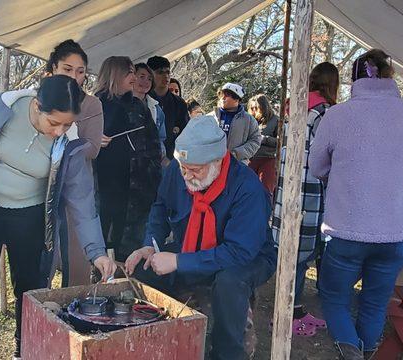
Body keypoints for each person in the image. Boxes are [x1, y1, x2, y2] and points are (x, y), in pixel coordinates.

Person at [0, 75, 116, 360]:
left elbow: (83, 202)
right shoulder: (3, 108)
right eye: (54, 123)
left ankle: (23, 352)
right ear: (37, 106)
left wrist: (96, 252)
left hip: (29, 217)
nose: (60, 131)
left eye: (68, 124)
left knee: (29, 292)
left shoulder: (71, 144)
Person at [124, 117, 276, 360]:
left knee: (229, 281)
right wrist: (149, 245)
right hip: (193, 245)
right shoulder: (179, 168)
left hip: (248, 255)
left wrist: (179, 262)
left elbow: (239, 252)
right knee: (144, 269)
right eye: (184, 168)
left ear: (217, 161)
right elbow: (161, 207)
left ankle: (228, 351)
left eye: (195, 170)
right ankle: (153, 341)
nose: (187, 175)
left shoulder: (248, 188)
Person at [309, 49, 403, 359]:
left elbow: (316, 165)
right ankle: (366, 351)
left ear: (353, 79)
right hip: (397, 229)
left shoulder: (337, 115)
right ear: (391, 76)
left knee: (333, 296)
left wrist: (342, 175)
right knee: (375, 302)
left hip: (348, 225)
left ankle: (350, 351)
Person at [272, 62, 338, 337]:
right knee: (300, 251)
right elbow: (326, 153)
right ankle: (288, 311)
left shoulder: (294, 108)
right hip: (308, 187)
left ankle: (293, 307)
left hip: (287, 184)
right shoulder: (323, 112)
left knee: (290, 247)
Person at [45, 39, 105, 286]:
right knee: (42, 257)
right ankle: (37, 310)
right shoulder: (39, 98)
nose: (74, 76)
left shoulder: (92, 103)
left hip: (75, 185)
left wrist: (73, 138)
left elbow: (93, 149)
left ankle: (75, 311)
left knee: (77, 256)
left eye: (80, 72)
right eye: (67, 69)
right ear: (53, 69)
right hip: (40, 187)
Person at [94, 56, 162, 261]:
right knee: (104, 235)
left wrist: (152, 171)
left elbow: (153, 142)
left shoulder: (137, 105)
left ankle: (126, 279)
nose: (133, 76)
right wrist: (93, 140)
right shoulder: (94, 104)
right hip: (104, 184)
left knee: (129, 241)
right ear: (115, 73)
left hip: (137, 186)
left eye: (134, 72)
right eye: (129, 72)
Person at [147, 56, 189, 160]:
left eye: (167, 72)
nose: (165, 76)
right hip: (148, 159)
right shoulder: (143, 100)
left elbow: (185, 134)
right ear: (150, 74)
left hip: (173, 158)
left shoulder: (179, 103)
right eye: (160, 72)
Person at [211, 83, 261, 163]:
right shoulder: (210, 117)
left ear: (236, 99)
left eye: (227, 95)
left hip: (236, 165)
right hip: (211, 164)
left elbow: (255, 141)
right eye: (221, 95)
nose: (223, 98)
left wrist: (235, 154)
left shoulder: (248, 120)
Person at [133, 62, 167, 161]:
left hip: (150, 164)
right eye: (142, 77)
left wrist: (160, 152)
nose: (146, 81)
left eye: (149, 79)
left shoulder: (156, 108)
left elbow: (161, 137)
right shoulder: (120, 105)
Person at [247, 94, 279, 196]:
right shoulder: (249, 120)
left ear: (263, 107)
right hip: (250, 159)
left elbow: (281, 142)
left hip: (268, 159)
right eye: (251, 108)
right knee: (248, 189)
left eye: (256, 108)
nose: (253, 111)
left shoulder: (275, 120)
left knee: (265, 189)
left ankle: (267, 210)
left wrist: (264, 139)